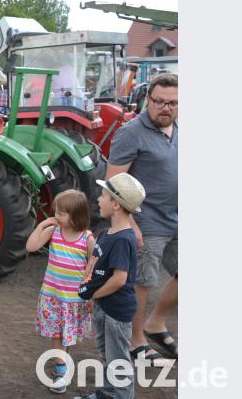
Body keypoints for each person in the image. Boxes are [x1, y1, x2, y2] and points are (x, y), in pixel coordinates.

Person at [106, 73, 178, 363]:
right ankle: (136, 342)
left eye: (172, 103)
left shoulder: (181, 128)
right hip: (146, 221)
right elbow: (114, 181)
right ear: (148, 100)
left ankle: (156, 323)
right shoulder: (131, 132)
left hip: (178, 218)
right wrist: (130, 223)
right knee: (143, 283)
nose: (166, 108)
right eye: (159, 101)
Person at [75, 172, 146, 399]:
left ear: (115, 204)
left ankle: (121, 395)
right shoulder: (106, 233)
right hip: (105, 306)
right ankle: (108, 393)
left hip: (115, 309)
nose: (98, 199)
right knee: (107, 355)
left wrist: (94, 296)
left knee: (118, 358)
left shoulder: (123, 239)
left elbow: (119, 279)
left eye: (103, 195)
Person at [26, 189, 95, 394]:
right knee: (57, 335)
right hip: (53, 296)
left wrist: (90, 294)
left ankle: (61, 363)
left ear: (77, 215)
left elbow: (93, 267)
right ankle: (61, 370)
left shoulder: (87, 239)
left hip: (74, 299)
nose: (56, 216)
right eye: (56, 212)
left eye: (61, 213)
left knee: (67, 335)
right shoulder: (54, 231)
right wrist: (42, 225)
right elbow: (31, 246)